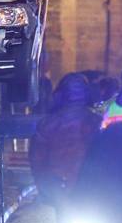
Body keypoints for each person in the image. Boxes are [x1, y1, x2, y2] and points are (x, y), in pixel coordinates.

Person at [29, 73, 102, 209]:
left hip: (60, 191)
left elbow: (38, 162)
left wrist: (45, 191)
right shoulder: (97, 122)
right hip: (90, 191)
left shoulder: (47, 124)